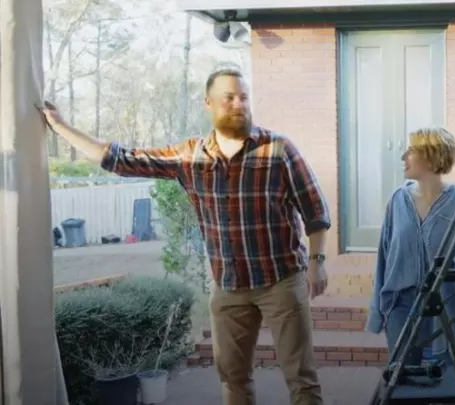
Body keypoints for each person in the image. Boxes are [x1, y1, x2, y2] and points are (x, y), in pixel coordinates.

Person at [39, 69, 330, 405]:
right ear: (209, 103)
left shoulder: (278, 150)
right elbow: (120, 159)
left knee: (301, 378)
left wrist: (317, 261)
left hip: (281, 281)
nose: (239, 104)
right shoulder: (190, 157)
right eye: (229, 98)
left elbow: (315, 209)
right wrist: (60, 126)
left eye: (243, 97)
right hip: (229, 286)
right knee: (233, 379)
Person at [365, 127, 455, 366]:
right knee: (402, 379)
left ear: (432, 155)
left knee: (449, 380)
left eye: (411, 150)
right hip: (401, 306)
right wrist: (378, 312)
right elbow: (384, 259)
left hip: (449, 305)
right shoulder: (398, 200)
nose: (403, 156)